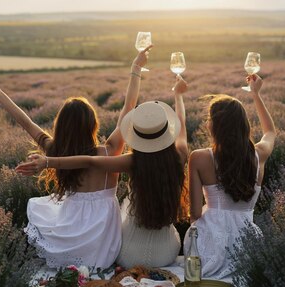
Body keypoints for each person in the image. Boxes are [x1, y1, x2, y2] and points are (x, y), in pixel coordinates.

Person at [0, 46, 152, 269]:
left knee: (41, 210)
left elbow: (27, 123)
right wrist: (136, 68)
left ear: (61, 126)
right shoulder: (108, 152)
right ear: (92, 125)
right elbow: (128, 109)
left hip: (69, 233)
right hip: (103, 246)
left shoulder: (55, 150)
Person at [18, 76, 189, 268]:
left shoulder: (132, 161)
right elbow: (180, 123)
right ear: (169, 132)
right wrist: (178, 95)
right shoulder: (180, 155)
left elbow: (89, 161)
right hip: (167, 252)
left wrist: (49, 162)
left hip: (128, 256)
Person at [184, 73, 276, 279]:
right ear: (243, 124)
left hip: (209, 244)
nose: (207, 123)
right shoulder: (259, 155)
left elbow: (196, 214)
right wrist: (256, 94)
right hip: (247, 243)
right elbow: (270, 132)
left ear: (215, 126)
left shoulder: (198, 158)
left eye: (209, 119)